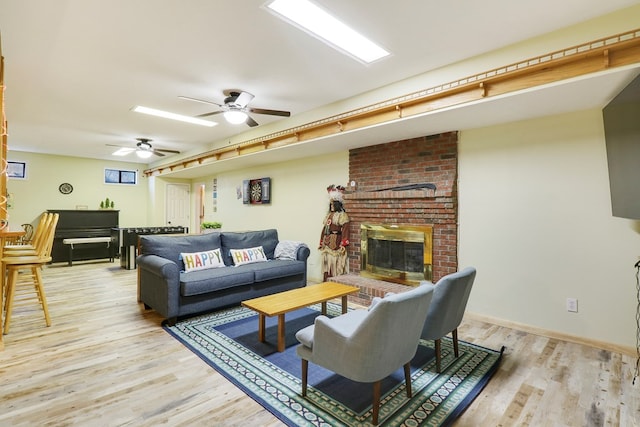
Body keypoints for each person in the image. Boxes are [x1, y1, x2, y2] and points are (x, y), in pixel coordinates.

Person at [319, 185, 350, 281]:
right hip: (327, 242)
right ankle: (326, 281)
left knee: (336, 264)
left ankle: (335, 282)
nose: (331, 206)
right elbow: (324, 229)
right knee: (326, 264)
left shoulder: (342, 216)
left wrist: (344, 243)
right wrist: (321, 241)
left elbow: (345, 229)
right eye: (330, 204)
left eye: (333, 204)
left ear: (338, 204)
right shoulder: (329, 215)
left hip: (336, 242)